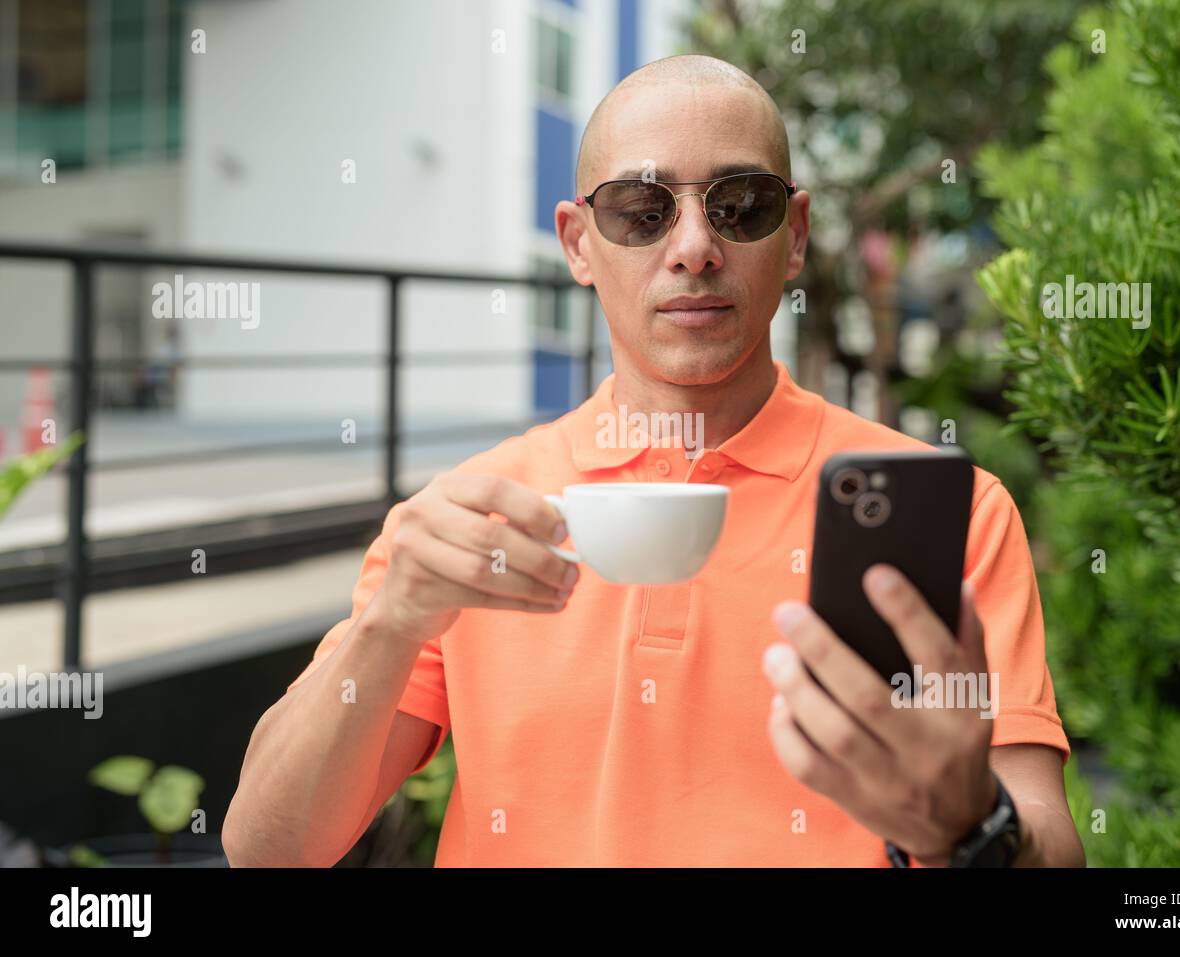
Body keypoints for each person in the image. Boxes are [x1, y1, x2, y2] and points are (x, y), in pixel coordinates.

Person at [223, 54, 1084, 868]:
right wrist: (388, 626)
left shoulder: (944, 509)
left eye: (740, 203)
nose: (694, 246)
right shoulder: (477, 516)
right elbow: (269, 847)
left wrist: (973, 828)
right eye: (641, 208)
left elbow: (1045, 830)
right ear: (576, 243)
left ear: (794, 236)